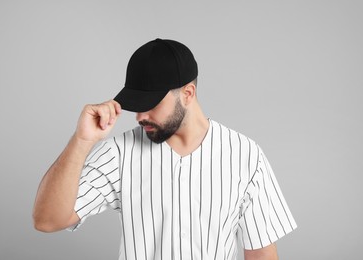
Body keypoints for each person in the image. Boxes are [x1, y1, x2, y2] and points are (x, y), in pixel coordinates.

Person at [33, 38, 297, 260]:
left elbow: (262, 255)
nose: (139, 116)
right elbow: (47, 220)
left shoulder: (245, 156)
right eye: (136, 104)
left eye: (151, 103)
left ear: (188, 94)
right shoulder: (119, 153)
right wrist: (82, 141)